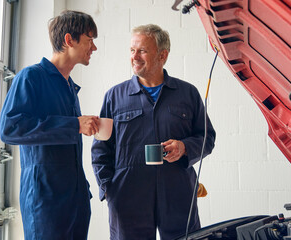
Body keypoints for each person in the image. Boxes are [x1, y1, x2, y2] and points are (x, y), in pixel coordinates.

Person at [91, 24, 216, 240]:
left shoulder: (187, 94)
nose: (135, 57)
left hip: (178, 194)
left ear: (162, 55)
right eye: (132, 50)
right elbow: (101, 149)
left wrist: (185, 147)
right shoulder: (114, 97)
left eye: (142, 51)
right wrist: (109, 190)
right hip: (128, 198)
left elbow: (207, 137)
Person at [0, 10, 99, 240]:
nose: (93, 48)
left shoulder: (70, 87)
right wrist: (73, 125)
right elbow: (10, 128)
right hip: (45, 205)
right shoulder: (30, 77)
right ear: (68, 40)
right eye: (89, 40)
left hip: (76, 203)